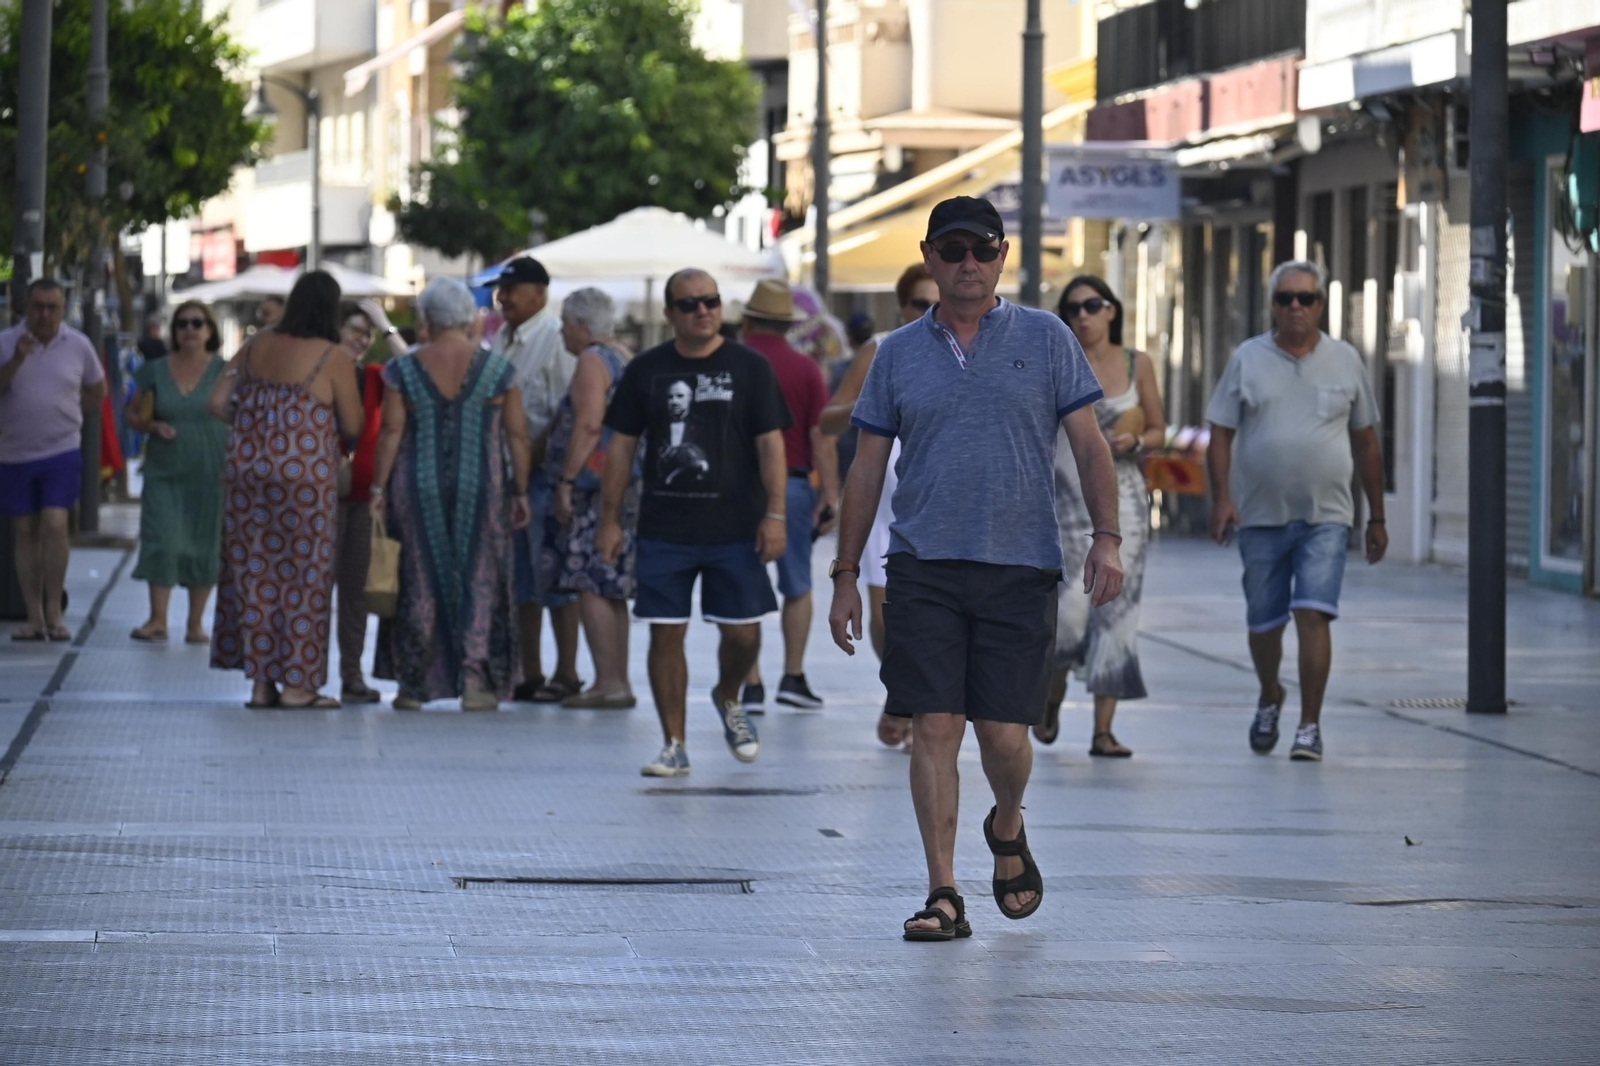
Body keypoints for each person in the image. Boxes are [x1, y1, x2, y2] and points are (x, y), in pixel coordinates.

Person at [828, 196, 1124, 941]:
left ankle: (1007, 820)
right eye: (953, 250)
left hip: (1020, 565)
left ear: (1002, 257)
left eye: (982, 251)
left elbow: (1091, 446)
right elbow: (865, 470)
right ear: (929, 257)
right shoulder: (896, 353)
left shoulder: (1047, 336)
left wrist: (1107, 537)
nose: (968, 264)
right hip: (923, 564)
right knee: (934, 724)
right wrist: (842, 575)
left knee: (1002, 737)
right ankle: (943, 891)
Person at [598, 268, 791, 777]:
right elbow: (619, 448)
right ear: (669, 315)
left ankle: (728, 694)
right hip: (665, 528)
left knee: (745, 635)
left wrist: (776, 514)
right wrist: (609, 521)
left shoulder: (750, 367)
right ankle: (673, 743)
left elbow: (771, 443)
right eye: (689, 304)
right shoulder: (646, 370)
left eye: (710, 301)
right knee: (666, 635)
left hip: (737, 526)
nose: (702, 310)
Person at [1206, 260, 1386, 762]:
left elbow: (1367, 440)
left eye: (1305, 298)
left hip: (1327, 516)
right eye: (1285, 299)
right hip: (1259, 516)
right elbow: (1220, 431)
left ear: (1321, 305)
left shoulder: (1346, 359)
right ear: (1273, 306)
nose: (1295, 308)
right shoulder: (1248, 357)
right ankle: (1270, 694)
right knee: (1264, 624)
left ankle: (1309, 725)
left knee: (1313, 614)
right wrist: (1222, 498)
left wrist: (1377, 516)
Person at [369, 278, 532, 711]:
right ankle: (478, 683)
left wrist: (378, 487)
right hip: (483, 482)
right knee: (481, 577)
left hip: (416, 483)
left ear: (426, 320)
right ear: (468, 318)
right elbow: (517, 435)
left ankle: (413, 685)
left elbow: (390, 433)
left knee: (417, 579)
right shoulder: (498, 370)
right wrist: (521, 491)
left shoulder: (402, 370)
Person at [208, 271, 364, 709]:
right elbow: (352, 425)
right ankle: (298, 685)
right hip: (304, 479)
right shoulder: (332, 356)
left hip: (246, 475)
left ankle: (261, 686)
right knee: (305, 576)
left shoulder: (256, 345)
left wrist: (253, 426)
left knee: (254, 573)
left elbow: (217, 402)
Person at [1036, 276, 1167, 757]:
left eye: (1093, 305)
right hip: (1064, 498)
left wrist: (1137, 441)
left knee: (1117, 607)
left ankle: (1103, 730)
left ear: (1112, 310)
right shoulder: (1055, 361)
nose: (1083, 316)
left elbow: (1158, 428)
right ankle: (1050, 696)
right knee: (1066, 612)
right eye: (1073, 309)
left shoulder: (1138, 364)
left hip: (1125, 501)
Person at [819, 263, 938, 751]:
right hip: (886, 496)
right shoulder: (883, 349)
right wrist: (871, 401)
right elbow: (826, 422)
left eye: (937, 302)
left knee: (934, 612)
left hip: (942, 497)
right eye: (919, 304)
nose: (930, 313)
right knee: (886, 615)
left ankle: (919, 706)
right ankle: (900, 693)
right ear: (900, 306)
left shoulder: (972, 347)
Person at [735, 279, 838, 714]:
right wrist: (830, 493)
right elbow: (821, 437)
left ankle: (751, 682)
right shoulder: (805, 368)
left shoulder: (733, 363)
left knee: (744, 585)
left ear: (748, 319)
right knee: (797, 586)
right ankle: (792, 676)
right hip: (795, 487)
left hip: (739, 488)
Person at [543, 288, 639, 709]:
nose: (563, 333)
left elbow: (588, 425)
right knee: (612, 583)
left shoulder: (591, 360)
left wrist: (565, 479)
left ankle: (606, 680)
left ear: (582, 326)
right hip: (625, 484)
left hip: (594, 487)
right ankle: (618, 678)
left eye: (565, 324)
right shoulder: (623, 355)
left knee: (589, 581)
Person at [491, 257, 581, 703]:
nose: (503, 297)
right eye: (501, 289)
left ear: (539, 294)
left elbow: (571, 413)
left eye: (513, 289)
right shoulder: (502, 338)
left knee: (558, 579)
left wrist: (534, 461)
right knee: (521, 581)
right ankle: (531, 671)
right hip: (510, 478)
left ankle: (567, 673)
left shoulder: (554, 338)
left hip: (545, 476)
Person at [0, 279, 108, 642]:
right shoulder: (5, 342)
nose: (44, 315)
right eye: (38, 307)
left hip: (61, 450)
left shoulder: (78, 345)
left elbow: (97, 387)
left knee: (55, 522)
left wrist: (74, 414)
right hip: (14, 452)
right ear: (25, 308)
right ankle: (34, 617)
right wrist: (17, 359)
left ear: (62, 310)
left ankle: (53, 612)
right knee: (25, 530)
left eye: (52, 307)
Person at [125, 301, 230, 644]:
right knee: (162, 539)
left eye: (197, 323)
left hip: (210, 469)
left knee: (204, 543)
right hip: (164, 469)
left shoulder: (225, 372)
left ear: (210, 331)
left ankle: (196, 623)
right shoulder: (154, 369)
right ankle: (157, 620)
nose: (190, 329)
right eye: (183, 323)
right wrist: (153, 426)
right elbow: (132, 415)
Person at [328, 303, 389, 702]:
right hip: (321, 498)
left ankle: (352, 676)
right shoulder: (317, 372)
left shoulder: (376, 377)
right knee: (314, 589)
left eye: (368, 334)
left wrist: (386, 325)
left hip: (365, 499)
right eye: (354, 329)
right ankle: (306, 675)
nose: (362, 339)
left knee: (356, 595)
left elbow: (416, 367)